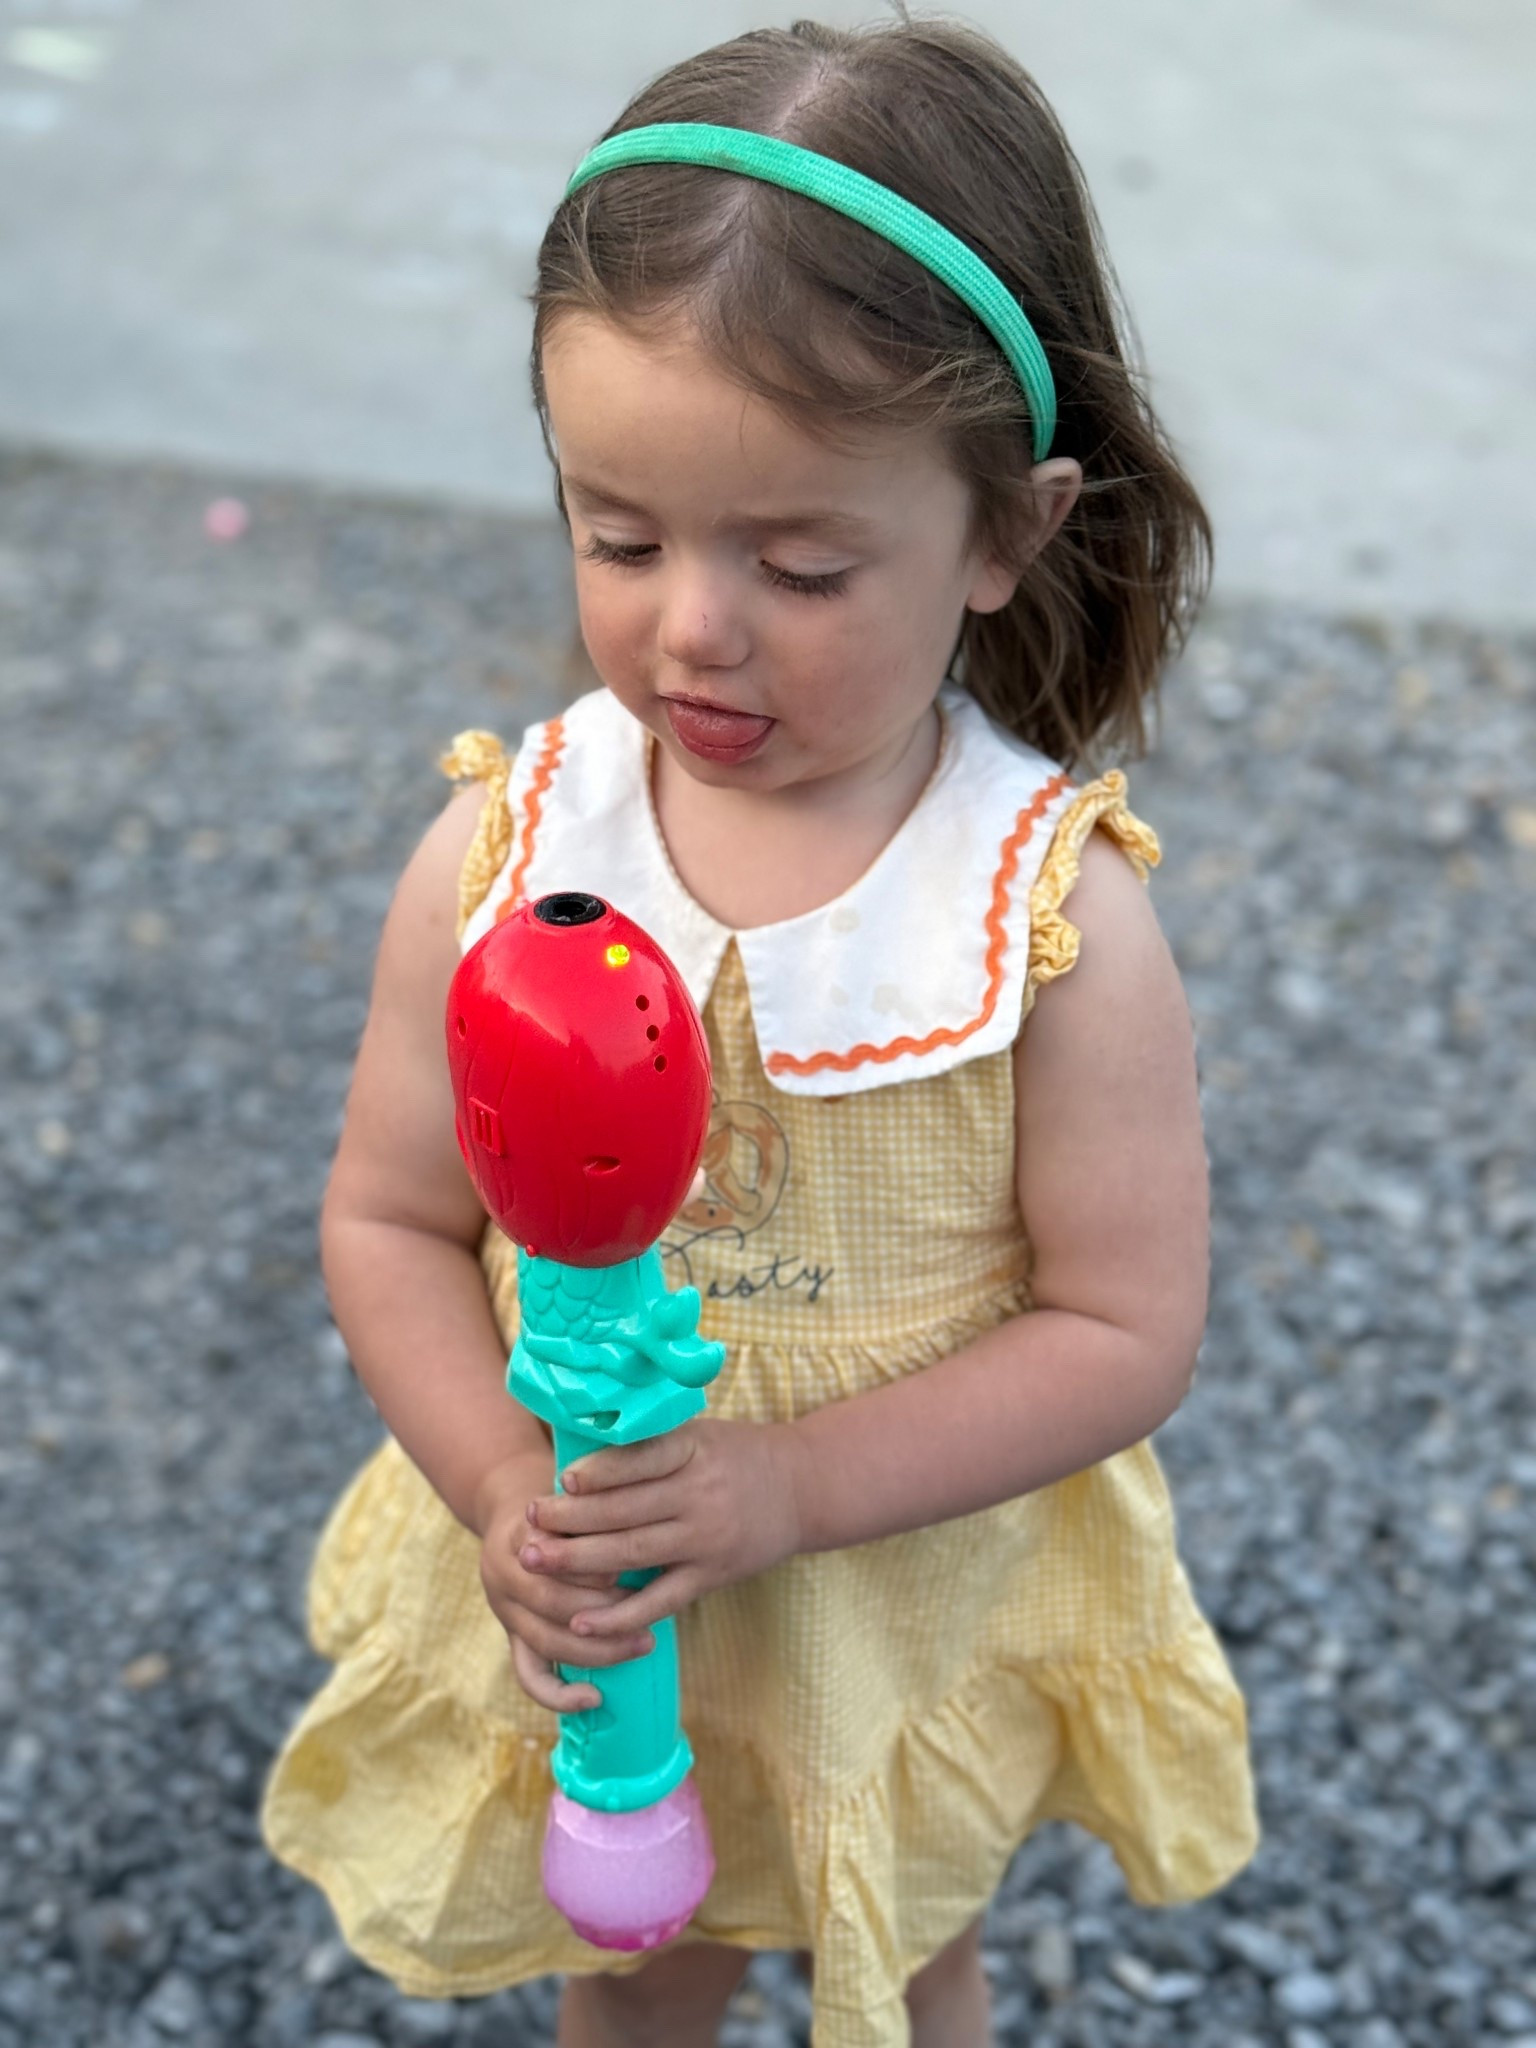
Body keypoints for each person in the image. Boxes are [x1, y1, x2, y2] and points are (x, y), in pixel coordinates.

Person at [261, 18, 1258, 2047]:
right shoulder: (508, 854)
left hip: (888, 1598)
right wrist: (501, 1497)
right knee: (629, 1973)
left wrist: (794, 1486)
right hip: (615, 1618)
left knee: (910, 1952)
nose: (691, 628)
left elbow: (1123, 1327)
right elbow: (386, 1217)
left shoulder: (1049, 928)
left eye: (800, 563)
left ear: (1006, 531)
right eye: (619, 534)